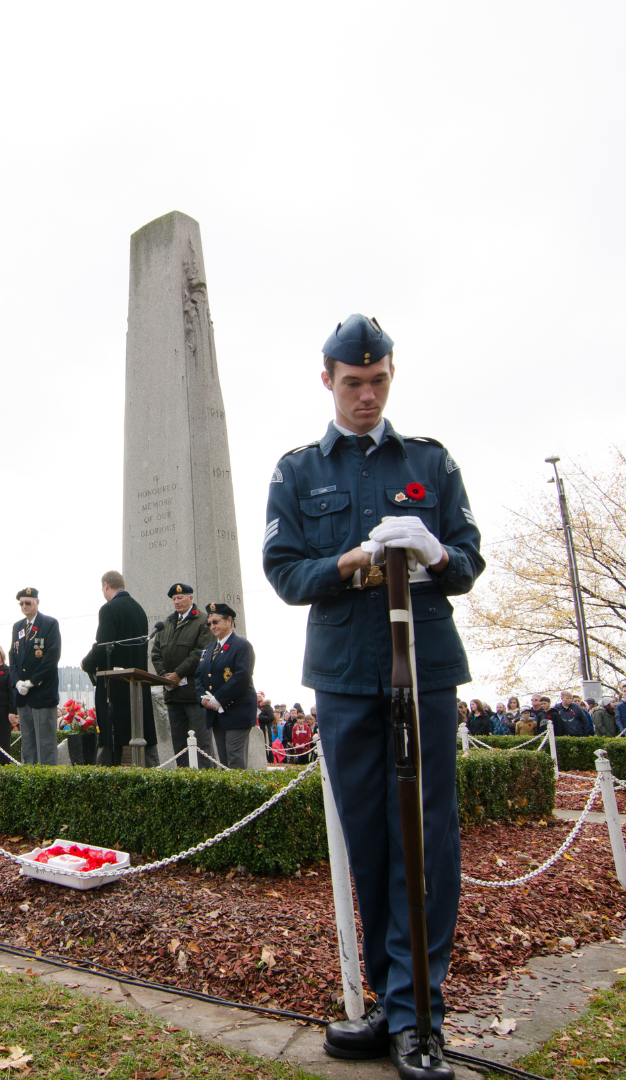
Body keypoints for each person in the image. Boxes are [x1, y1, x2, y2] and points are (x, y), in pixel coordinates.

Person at [263, 313, 483, 1080]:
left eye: (378, 381)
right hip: (345, 674)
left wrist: (438, 551)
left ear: (392, 377)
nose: (366, 394)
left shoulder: (429, 460)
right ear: (327, 380)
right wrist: (353, 557)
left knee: (424, 837)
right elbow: (286, 574)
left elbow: (469, 555)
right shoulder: (296, 473)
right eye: (352, 382)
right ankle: (393, 1002)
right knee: (368, 838)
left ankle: (422, 1014)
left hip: (422, 665)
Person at [82, 571, 159, 767]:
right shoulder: (139, 609)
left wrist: (86, 663)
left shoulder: (108, 609)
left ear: (106, 585)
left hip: (114, 684)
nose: (102, 592)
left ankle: (109, 773)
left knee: (113, 733)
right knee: (136, 728)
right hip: (137, 683)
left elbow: (103, 645)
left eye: (102, 588)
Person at [150, 582, 217, 768]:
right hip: (173, 695)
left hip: (194, 695)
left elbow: (200, 653)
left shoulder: (203, 621)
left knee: (202, 747)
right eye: (174, 599)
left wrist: (178, 674)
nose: (177, 602)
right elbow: (155, 653)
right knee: (179, 747)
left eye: (180, 598)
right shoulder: (166, 624)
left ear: (191, 598)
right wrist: (164, 676)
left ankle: (205, 784)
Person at [194, 602, 257, 769]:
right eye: (209, 623)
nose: (212, 626)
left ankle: (239, 795)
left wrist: (218, 699)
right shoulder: (208, 649)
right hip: (216, 714)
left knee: (235, 760)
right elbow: (199, 676)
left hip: (237, 710)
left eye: (215, 622)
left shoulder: (242, 645)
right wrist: (203, 699)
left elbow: (242, 677)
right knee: (223, 762)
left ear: (229, 621)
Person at [8, 588, 62, 766]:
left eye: (28, 602)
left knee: (46, 745)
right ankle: (29, 782)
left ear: (37, 602)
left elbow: (52, 657)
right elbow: (13, 657)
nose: (24, 606)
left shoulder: (49, 624)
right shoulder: (18, 627)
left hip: (42, 692)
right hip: (23, 695)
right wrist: (16, 682)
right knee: (28, 746)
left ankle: (47, 784)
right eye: (21, 603)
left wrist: (32, 681)